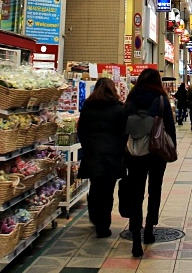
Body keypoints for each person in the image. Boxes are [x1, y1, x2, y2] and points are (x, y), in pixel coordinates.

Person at [123, 68, 177, 257]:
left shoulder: (131, 98)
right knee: (155, 189)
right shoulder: (161, 98)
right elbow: (169, 127)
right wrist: (172, 149)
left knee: (136, 193)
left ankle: (135, 238)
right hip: (156, 151)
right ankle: (149, 230)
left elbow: (123, 126)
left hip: (134, 152)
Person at [76, 77, 126, 238]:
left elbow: (81, 131)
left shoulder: (88, 107)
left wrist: (87, 146)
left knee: (95, 186)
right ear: (113, 90)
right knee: (107, 190)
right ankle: (103, 225)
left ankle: (95, 217)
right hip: (112, 155)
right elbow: (124, 133)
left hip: (93, 153)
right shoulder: (119, 108)